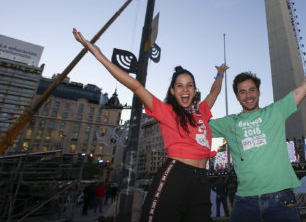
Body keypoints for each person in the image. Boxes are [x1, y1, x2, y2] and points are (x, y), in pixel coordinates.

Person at [73, 29, 229, 222]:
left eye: (189, 85)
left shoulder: (202, 110)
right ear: (172, 91)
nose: (185, 89)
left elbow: (214, 92)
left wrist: (219, 74)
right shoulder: (166, 111)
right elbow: (135, 86)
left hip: (202, 179)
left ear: (195, 90)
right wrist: (98, 54)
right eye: (179, 85)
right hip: (176, 175)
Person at [209, 35, 306, 222]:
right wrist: (216, 79)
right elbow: (194, 124)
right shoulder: (229, 122)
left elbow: (304, 87)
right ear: (237, 97)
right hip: (245, 202)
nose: (248, 95)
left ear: (259, 92)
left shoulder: (275, 111)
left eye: (252, 90)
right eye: (242, 92)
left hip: (281, 199)